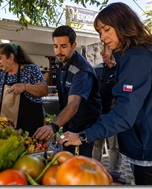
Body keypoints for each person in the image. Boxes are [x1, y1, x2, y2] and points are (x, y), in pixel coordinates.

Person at [56, 2, 152, 185]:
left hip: (149, 142)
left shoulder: (137, 57)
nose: (103, 37)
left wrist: (83, 136)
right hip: (147, 139)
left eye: (106, 30)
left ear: (122, 23)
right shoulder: (139, 53)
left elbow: (124, 113)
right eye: (100, 32)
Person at [33, 25, 102, 157]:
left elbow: (73, 104)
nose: (58, 51)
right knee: (66, 159)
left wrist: (53, 126)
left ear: (73, 45)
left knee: (81, 165)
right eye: (55, 46)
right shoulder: (60, 63)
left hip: (85, 128)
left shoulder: (82, 70)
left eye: (63, 46)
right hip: (69, 123)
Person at [0, 43, 48, 136]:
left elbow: (44, 90)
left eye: (0, 58)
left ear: (11, 57)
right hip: (11, 125)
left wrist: (25, 87)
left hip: (33, 123)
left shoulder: (31, 69)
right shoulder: (2, 76)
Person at [92, 43, 122, 182]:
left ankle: (114, 175)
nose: (103, 53)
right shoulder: (98, 69)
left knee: (114, 147)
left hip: (114, 116)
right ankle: (95, 171)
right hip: (99, 115)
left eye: (106, 50)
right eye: (102, 51)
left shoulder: (121, 70)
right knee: (97, 145)